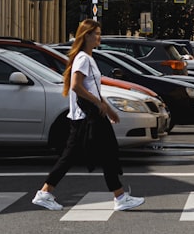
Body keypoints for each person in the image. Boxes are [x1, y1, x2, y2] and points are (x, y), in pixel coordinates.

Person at [32, 19, 144, 212]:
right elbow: (76, 85)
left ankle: (46, 193)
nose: (99, 37)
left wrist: (108, 108)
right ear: (86, 36)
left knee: (86, 155)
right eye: (96, 34)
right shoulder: (83, 58)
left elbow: (92, 88)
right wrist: (99, 105)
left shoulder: (86, 58)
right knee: (102, 154)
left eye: (99, 33)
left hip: (88, 115)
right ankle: (119, 197)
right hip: (87, 116)